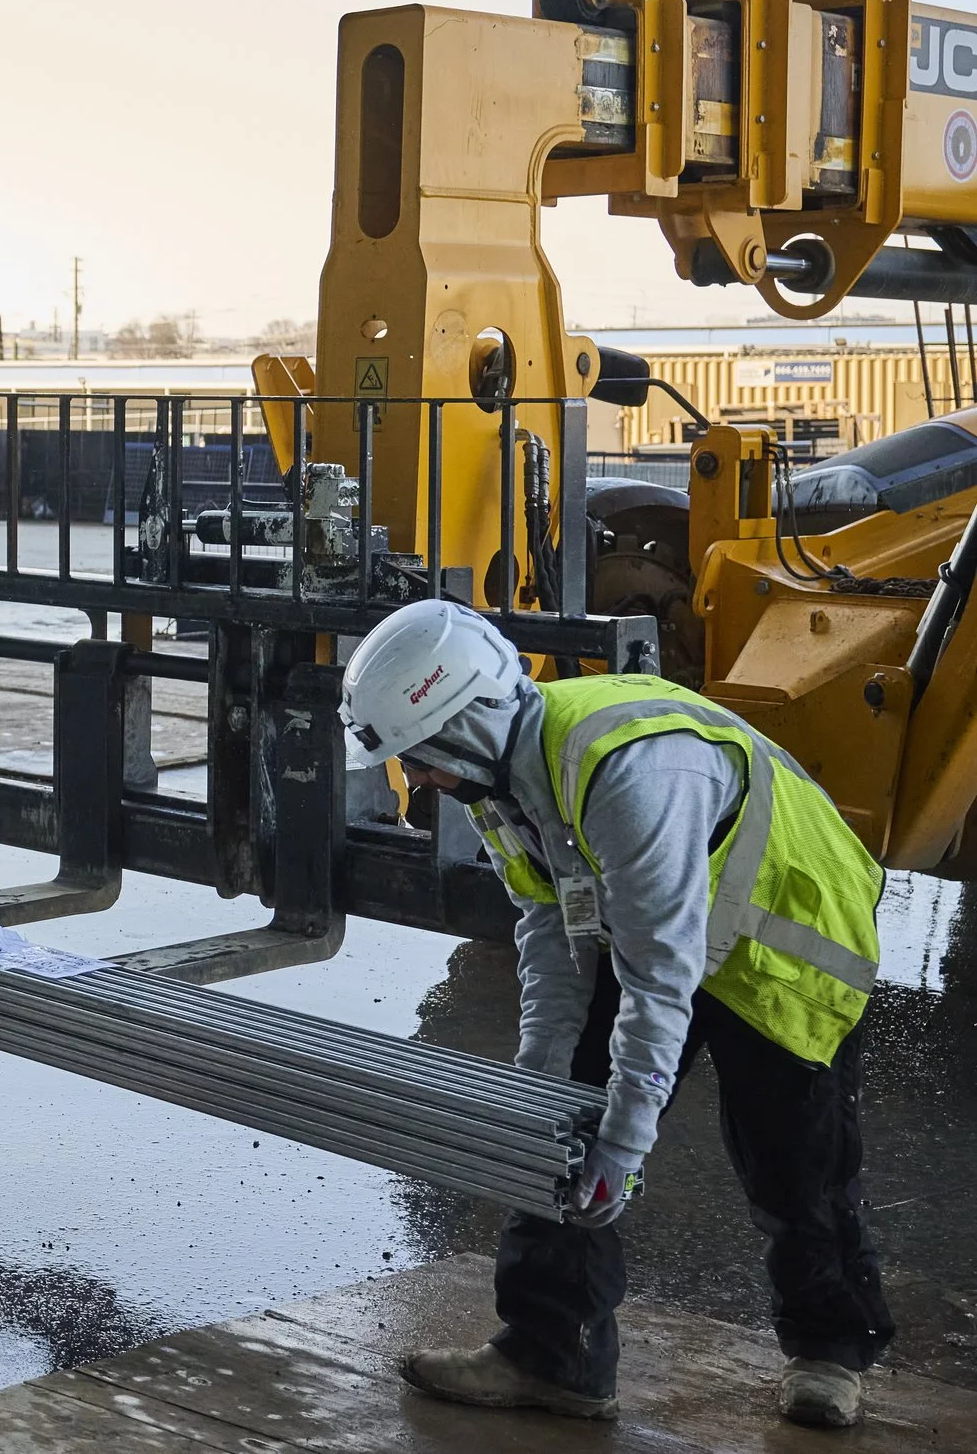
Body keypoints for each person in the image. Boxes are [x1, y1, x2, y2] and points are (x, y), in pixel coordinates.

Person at [337, 599, 890, 1430]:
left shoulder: (628, 773)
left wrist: (623, 1150)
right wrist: (542, 1082)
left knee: (793, 1159)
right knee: (559, 1123)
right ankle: (552, 1353)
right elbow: (551, 926)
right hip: (668, 925)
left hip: (784, 941)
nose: (416, 780)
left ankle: (829, 1350)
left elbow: (659, 978)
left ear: (467, 722)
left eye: (417, 759)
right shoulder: (499, 777)